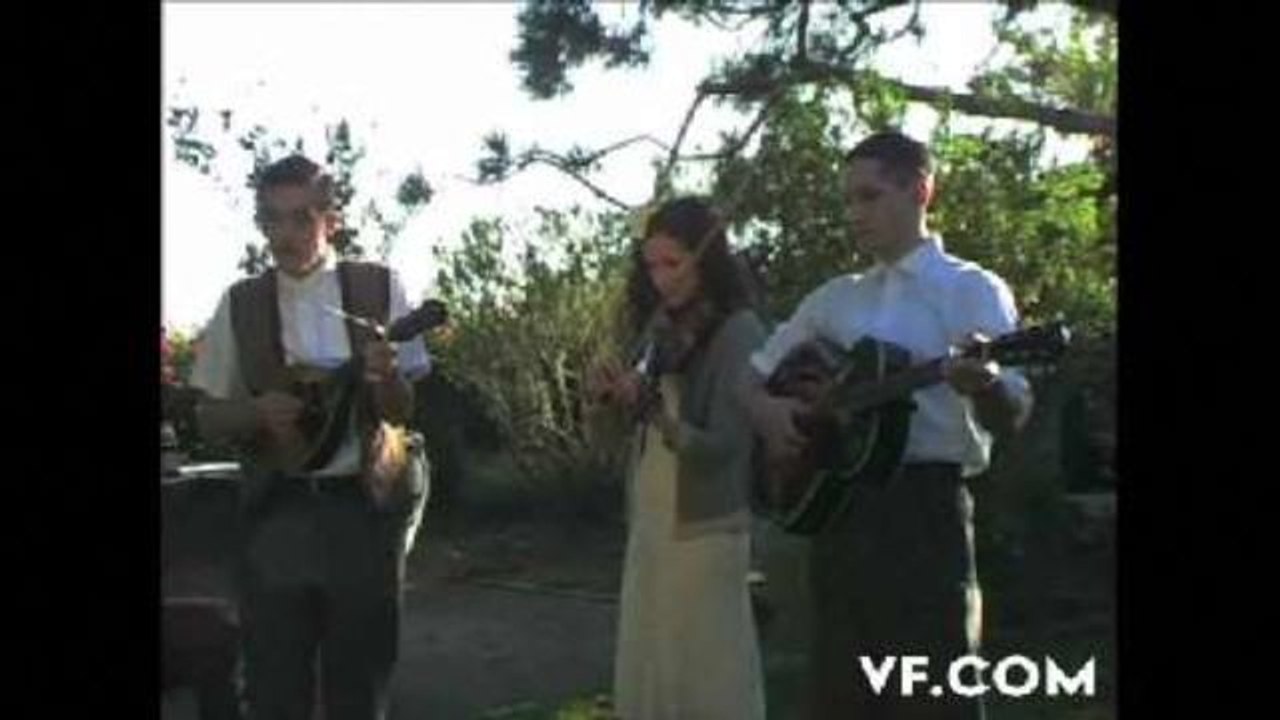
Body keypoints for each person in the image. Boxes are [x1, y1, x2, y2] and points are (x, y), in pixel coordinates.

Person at [743, 131, 1034, 720]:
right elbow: (749, 380)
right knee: (839, 695)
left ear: (921, 190)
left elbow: (1014, 414)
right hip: (838, 514)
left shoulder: (970, 289)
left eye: (869, 197)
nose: (855, 214)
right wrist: (773, 416)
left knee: (934, 695)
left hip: (926, 513)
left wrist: (986, 385)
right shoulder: (834, 300)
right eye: (848, 200)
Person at [189, 154, 431, 720]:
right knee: (274, 685)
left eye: (300, 219)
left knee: (359, 684)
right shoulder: (240, 302)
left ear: (332, 220)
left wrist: (387, 373)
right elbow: (206, 418)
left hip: (362, 509)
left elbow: (402, 411)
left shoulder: (378, 286)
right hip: (278, 510)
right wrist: (252, 414)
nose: (285, 235)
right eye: (272, 220)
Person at [589, 196, 767, 720]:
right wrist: (608, 398)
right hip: (651, 517)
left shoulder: (738, 331)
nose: (661, 279)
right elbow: (621, 437)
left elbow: (727, 448)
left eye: (674, 263)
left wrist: (656, 414)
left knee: (706, 671)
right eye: (652, 265)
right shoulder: (659, 329)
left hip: (705, 527)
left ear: (705, 260)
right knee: (653, 661)